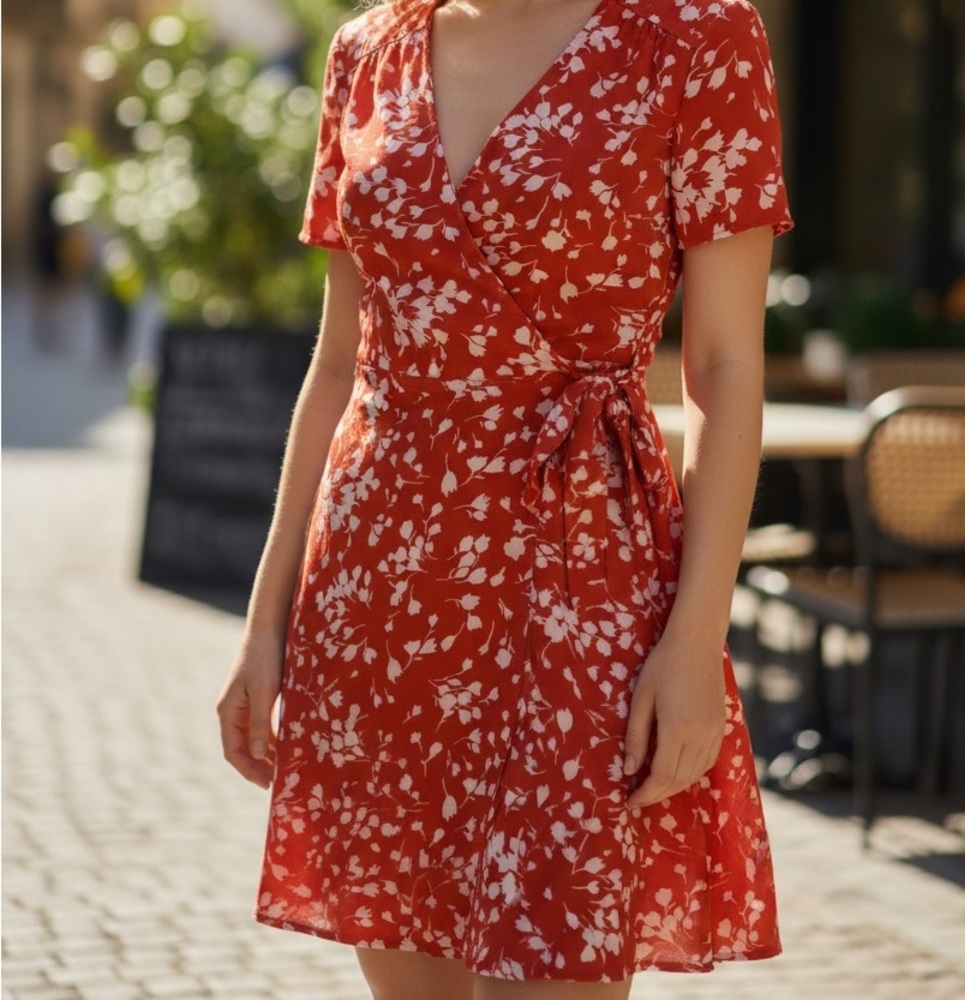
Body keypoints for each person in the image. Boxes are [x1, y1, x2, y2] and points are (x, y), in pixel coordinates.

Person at [217, 0, 793, 995]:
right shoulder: (367, 51)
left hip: (580, 574)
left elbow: (726, 366)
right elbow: (341, 362)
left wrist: (697, 638)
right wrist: (266, 622)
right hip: (381, 588)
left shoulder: (696, 36)